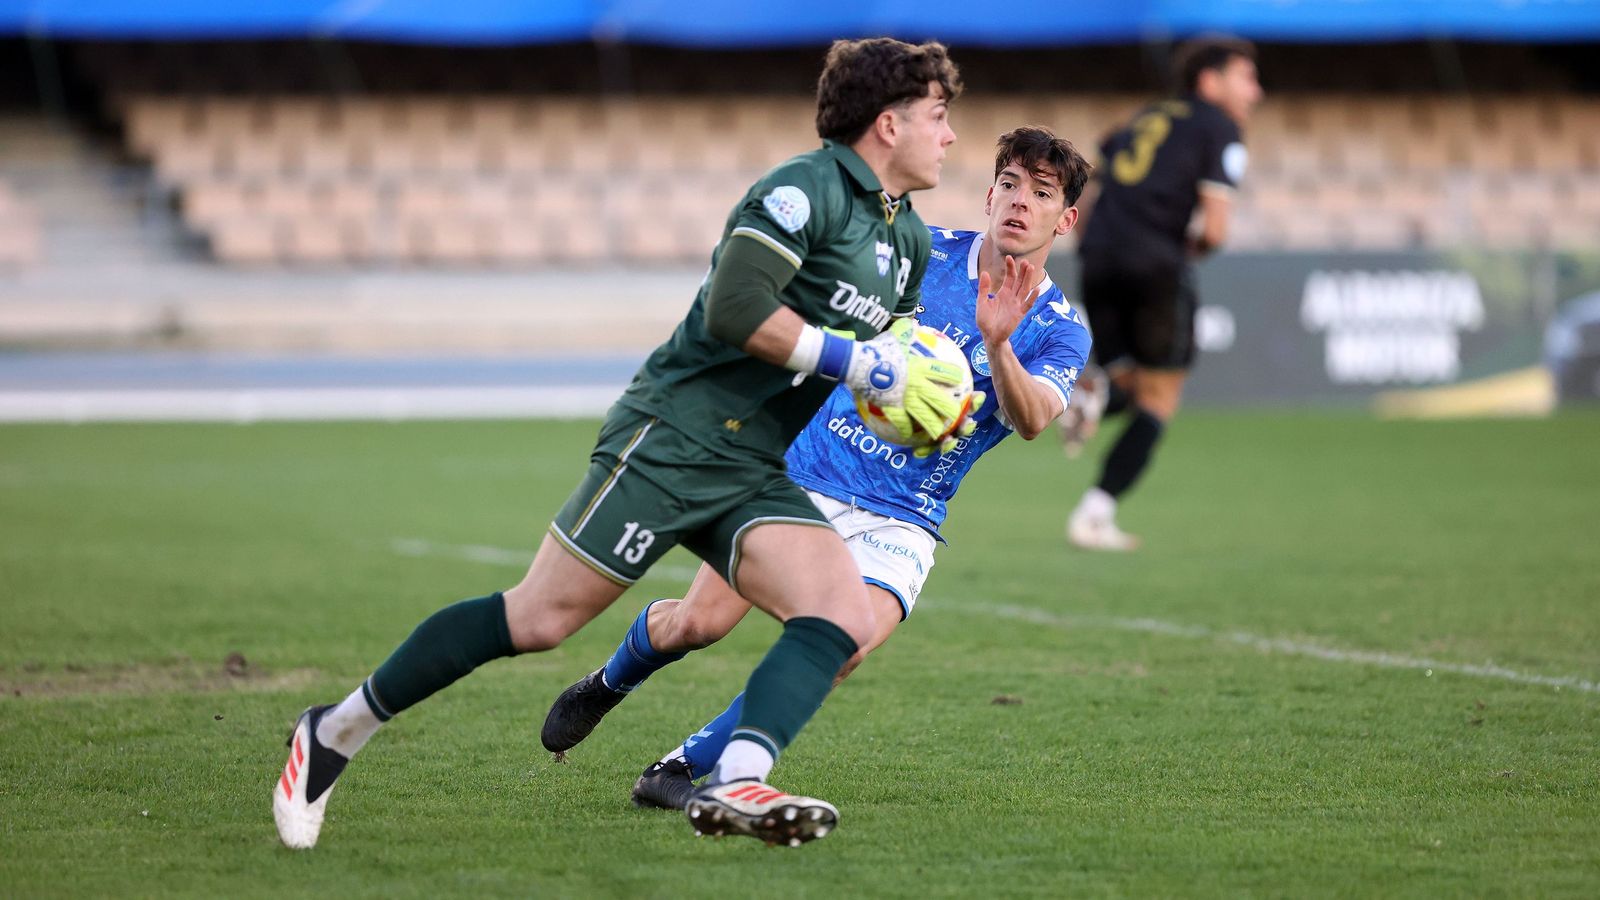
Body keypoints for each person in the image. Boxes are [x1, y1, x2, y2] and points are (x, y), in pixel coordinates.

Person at [273, 37, 987, 850]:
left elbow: (881, 366)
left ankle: (737, 778)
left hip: (752, 464)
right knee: (538, 620)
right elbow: (736, 308)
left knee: (838, 613)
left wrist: (925, 401)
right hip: (672, 438)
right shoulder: (802, 191)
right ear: (888, 125)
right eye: (939, 115)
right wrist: (861, 360)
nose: (951, 135)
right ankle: (334, 729)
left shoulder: (911, 241)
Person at [538, 126, 1093, 813]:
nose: (1020, 203)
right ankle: (610, 682)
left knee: (844, 644)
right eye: (1010, 184)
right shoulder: (920, 254)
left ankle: (683, 766)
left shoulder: (1062, 327)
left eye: (1041, 194)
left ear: (1064, 218)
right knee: (699, 623)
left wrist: (997, 343)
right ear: (989, 193)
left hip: (906, 512)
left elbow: (1035, 417)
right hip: (805, 475)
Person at [1062, 35, 1263, 551]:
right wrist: (1183, 252)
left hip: (1099, 259)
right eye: (1245, 77)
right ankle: (1095, 514)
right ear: (1209, 80)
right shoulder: (1220, 126)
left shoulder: (1140, 119)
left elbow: (1089, 190)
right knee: (1160, 399)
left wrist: (1106, 249)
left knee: (1127, 384)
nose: (1255, 92)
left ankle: (1082, 397)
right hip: (1155, 264)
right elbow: (1215, 229)